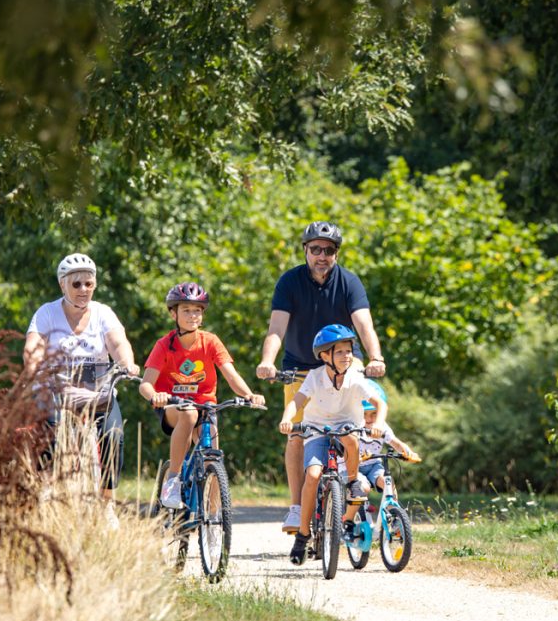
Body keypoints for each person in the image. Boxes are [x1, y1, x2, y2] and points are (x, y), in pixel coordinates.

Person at [256, 221, 386, 534]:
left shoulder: (349, 283)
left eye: (328, 250)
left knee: (355, 426)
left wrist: (375, 357)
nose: (322, 256)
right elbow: (277, 329)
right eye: (315, 249)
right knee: (297, 435)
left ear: (336, 254)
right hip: (300, 367)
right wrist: (267, 361)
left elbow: (364, 325)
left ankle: (352, 483)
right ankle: (297, 506)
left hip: (342, 364)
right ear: (305, 251)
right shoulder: (290, 282)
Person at [23, 253, 140, 516]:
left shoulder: (103, 313)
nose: (83, 290)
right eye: (76, 284)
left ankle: (107, 502)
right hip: (55, 390)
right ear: (62, 284)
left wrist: (127, 363)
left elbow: (119, 343)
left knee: (114, 435)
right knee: (49, 433)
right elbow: (33, 347)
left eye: (89, 283)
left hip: (97, 393)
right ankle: (44, 492)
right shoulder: (47, 313)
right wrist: (34, 369)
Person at [138, 281, 266, 509]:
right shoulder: (164, 345)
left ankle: (214, 519)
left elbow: (231, 374)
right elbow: (145, 384)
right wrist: (155, 395)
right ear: (173, 313)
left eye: (197, 310)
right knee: (188, 414)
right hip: (173, 406)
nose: (193, 315)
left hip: (205, 406)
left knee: (212, 459)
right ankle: (173, 481)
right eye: (186, 310)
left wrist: (249, 395)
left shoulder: (210, 342)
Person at [278, 324, 387, 565]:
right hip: (317, 430)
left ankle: (352, 481)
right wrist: (287, 419)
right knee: (314, 476)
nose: (346, 356)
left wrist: (378, 422)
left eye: (349, 351)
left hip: (347, 427)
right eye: (339, 352)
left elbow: (380, 403)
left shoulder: (355, 379)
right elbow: (297, 402)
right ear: (325, 356)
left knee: (350, 436)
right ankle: (303, 535)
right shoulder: (315, 378)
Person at [353, 380, 421, 498]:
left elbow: (396, 443)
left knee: (388, 483)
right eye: (364, 414)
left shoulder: (381, 426)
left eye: (374, 413)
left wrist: (408, 452)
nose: (368, 419)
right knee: (363, 488)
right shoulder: (353, 425)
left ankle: (394, 512)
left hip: (374, 465)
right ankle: (355, 514)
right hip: (352, 466)